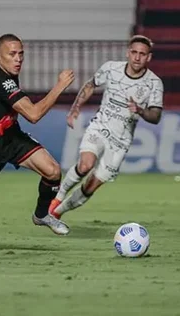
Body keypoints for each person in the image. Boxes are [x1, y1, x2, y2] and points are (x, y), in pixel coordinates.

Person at [48, 35, 163, 222]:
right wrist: (75, 108)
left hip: (120, 143)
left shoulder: (154, 83)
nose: (137, 57)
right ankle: (57, 198)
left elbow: (156, 116)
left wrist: (141, 110)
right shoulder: (111, 68)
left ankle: (58, 212)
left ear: (148, 57)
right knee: (85, 165)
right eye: (134, 52)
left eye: (142, 54)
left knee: (90, 186)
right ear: (128, 52)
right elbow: (90, 85)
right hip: (100, 127)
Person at [0, 33, 74, 235]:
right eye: (12, 54)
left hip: (10, 137)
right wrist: (60, 86)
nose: (18, 59)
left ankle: (42, 215)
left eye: (21, 54)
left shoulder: (3, 68)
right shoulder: (0, 79)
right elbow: (33, 114)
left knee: (52, 171)